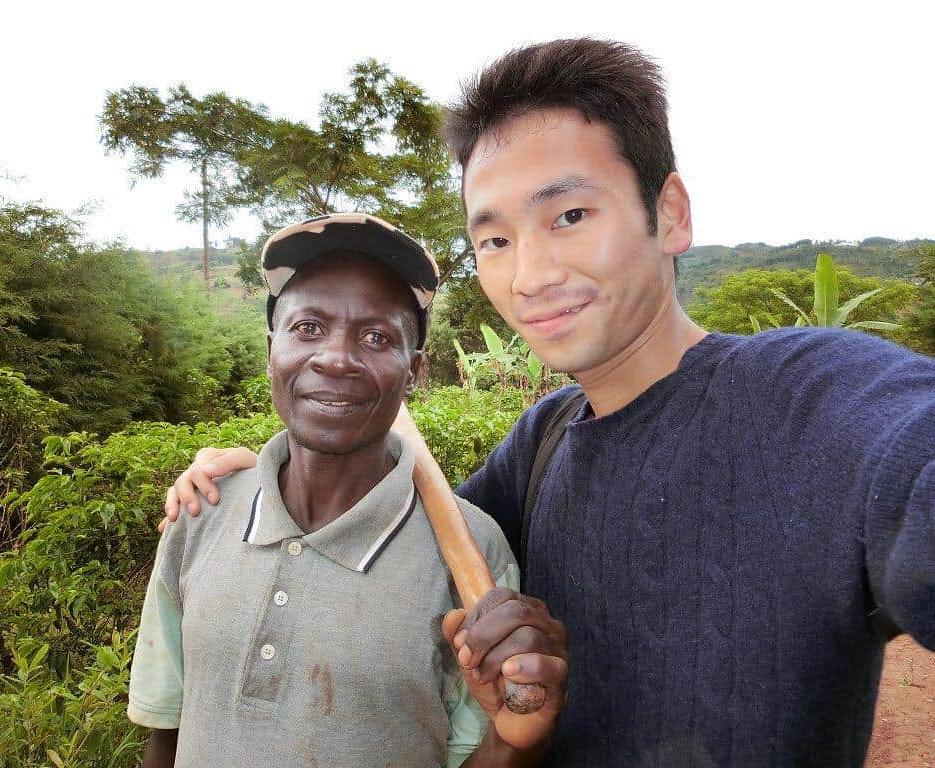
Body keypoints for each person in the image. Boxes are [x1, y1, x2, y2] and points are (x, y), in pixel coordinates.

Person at [162, 40, 935, 767]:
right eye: (494, 240)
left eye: (569, 216)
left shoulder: (813, 401)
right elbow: (398, 541)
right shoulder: (544, 444)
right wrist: (257, 478)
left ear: (669, 213)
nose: (529, 275)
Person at [129, 213, 568, 768]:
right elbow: (165, 733)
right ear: (272, 350)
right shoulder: (201, 511)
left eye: (375, 337)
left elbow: (491, 742)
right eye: (308, 328)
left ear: (413, 372)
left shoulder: (475, 557)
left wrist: (514, 740)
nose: (335, 357)